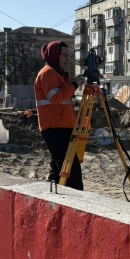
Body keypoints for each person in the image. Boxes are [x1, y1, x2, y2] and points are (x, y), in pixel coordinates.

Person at [34, 41, 85, 190]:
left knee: (57, 170)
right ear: (55, 56)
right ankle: (75, 203)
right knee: (71, 173)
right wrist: (74, 84)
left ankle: (52, 197)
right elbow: (55, 98)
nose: (67, 59)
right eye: (64, 55)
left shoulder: (57, 74)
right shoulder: (48, 73)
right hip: (55, 129)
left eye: (68, 55)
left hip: (61, 127)